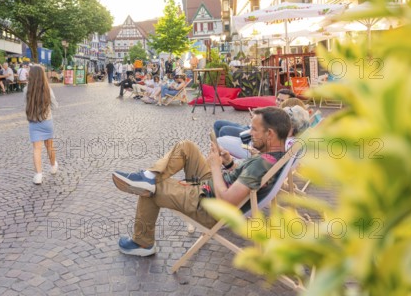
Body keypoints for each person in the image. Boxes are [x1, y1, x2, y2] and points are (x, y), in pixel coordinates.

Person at [111, 106, 292, 256]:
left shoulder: (261, 164)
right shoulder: (273, 157)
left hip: (209, 205)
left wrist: (215, 166)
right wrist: (228, 163)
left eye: (254, 129)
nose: (249, 133)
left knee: (153, 190)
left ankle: (142, 243)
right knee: (187, 147)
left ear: (269, 134)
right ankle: (149, 176)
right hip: (211, 187)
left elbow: (228, 201)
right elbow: (242, 182)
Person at [212, 88, 296, 138]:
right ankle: (221, 152)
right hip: (248, 127)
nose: (278, 102)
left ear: (290, 102)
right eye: (278, 99)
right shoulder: (275, 109)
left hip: (253, 134)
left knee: (224, 130)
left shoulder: (286, 116)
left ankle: (223, 155)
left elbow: (269, 131)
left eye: (282, 100)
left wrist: (258, 121)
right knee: (217, 124)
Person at [25, 65, 58, 184]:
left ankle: (38, 175)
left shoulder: (26, 89)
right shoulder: (48, 89)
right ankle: (53, 166)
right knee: (49, 146)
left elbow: (26, 103)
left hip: (34, 122)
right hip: (47, 121)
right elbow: (55, 105)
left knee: (36, 149)